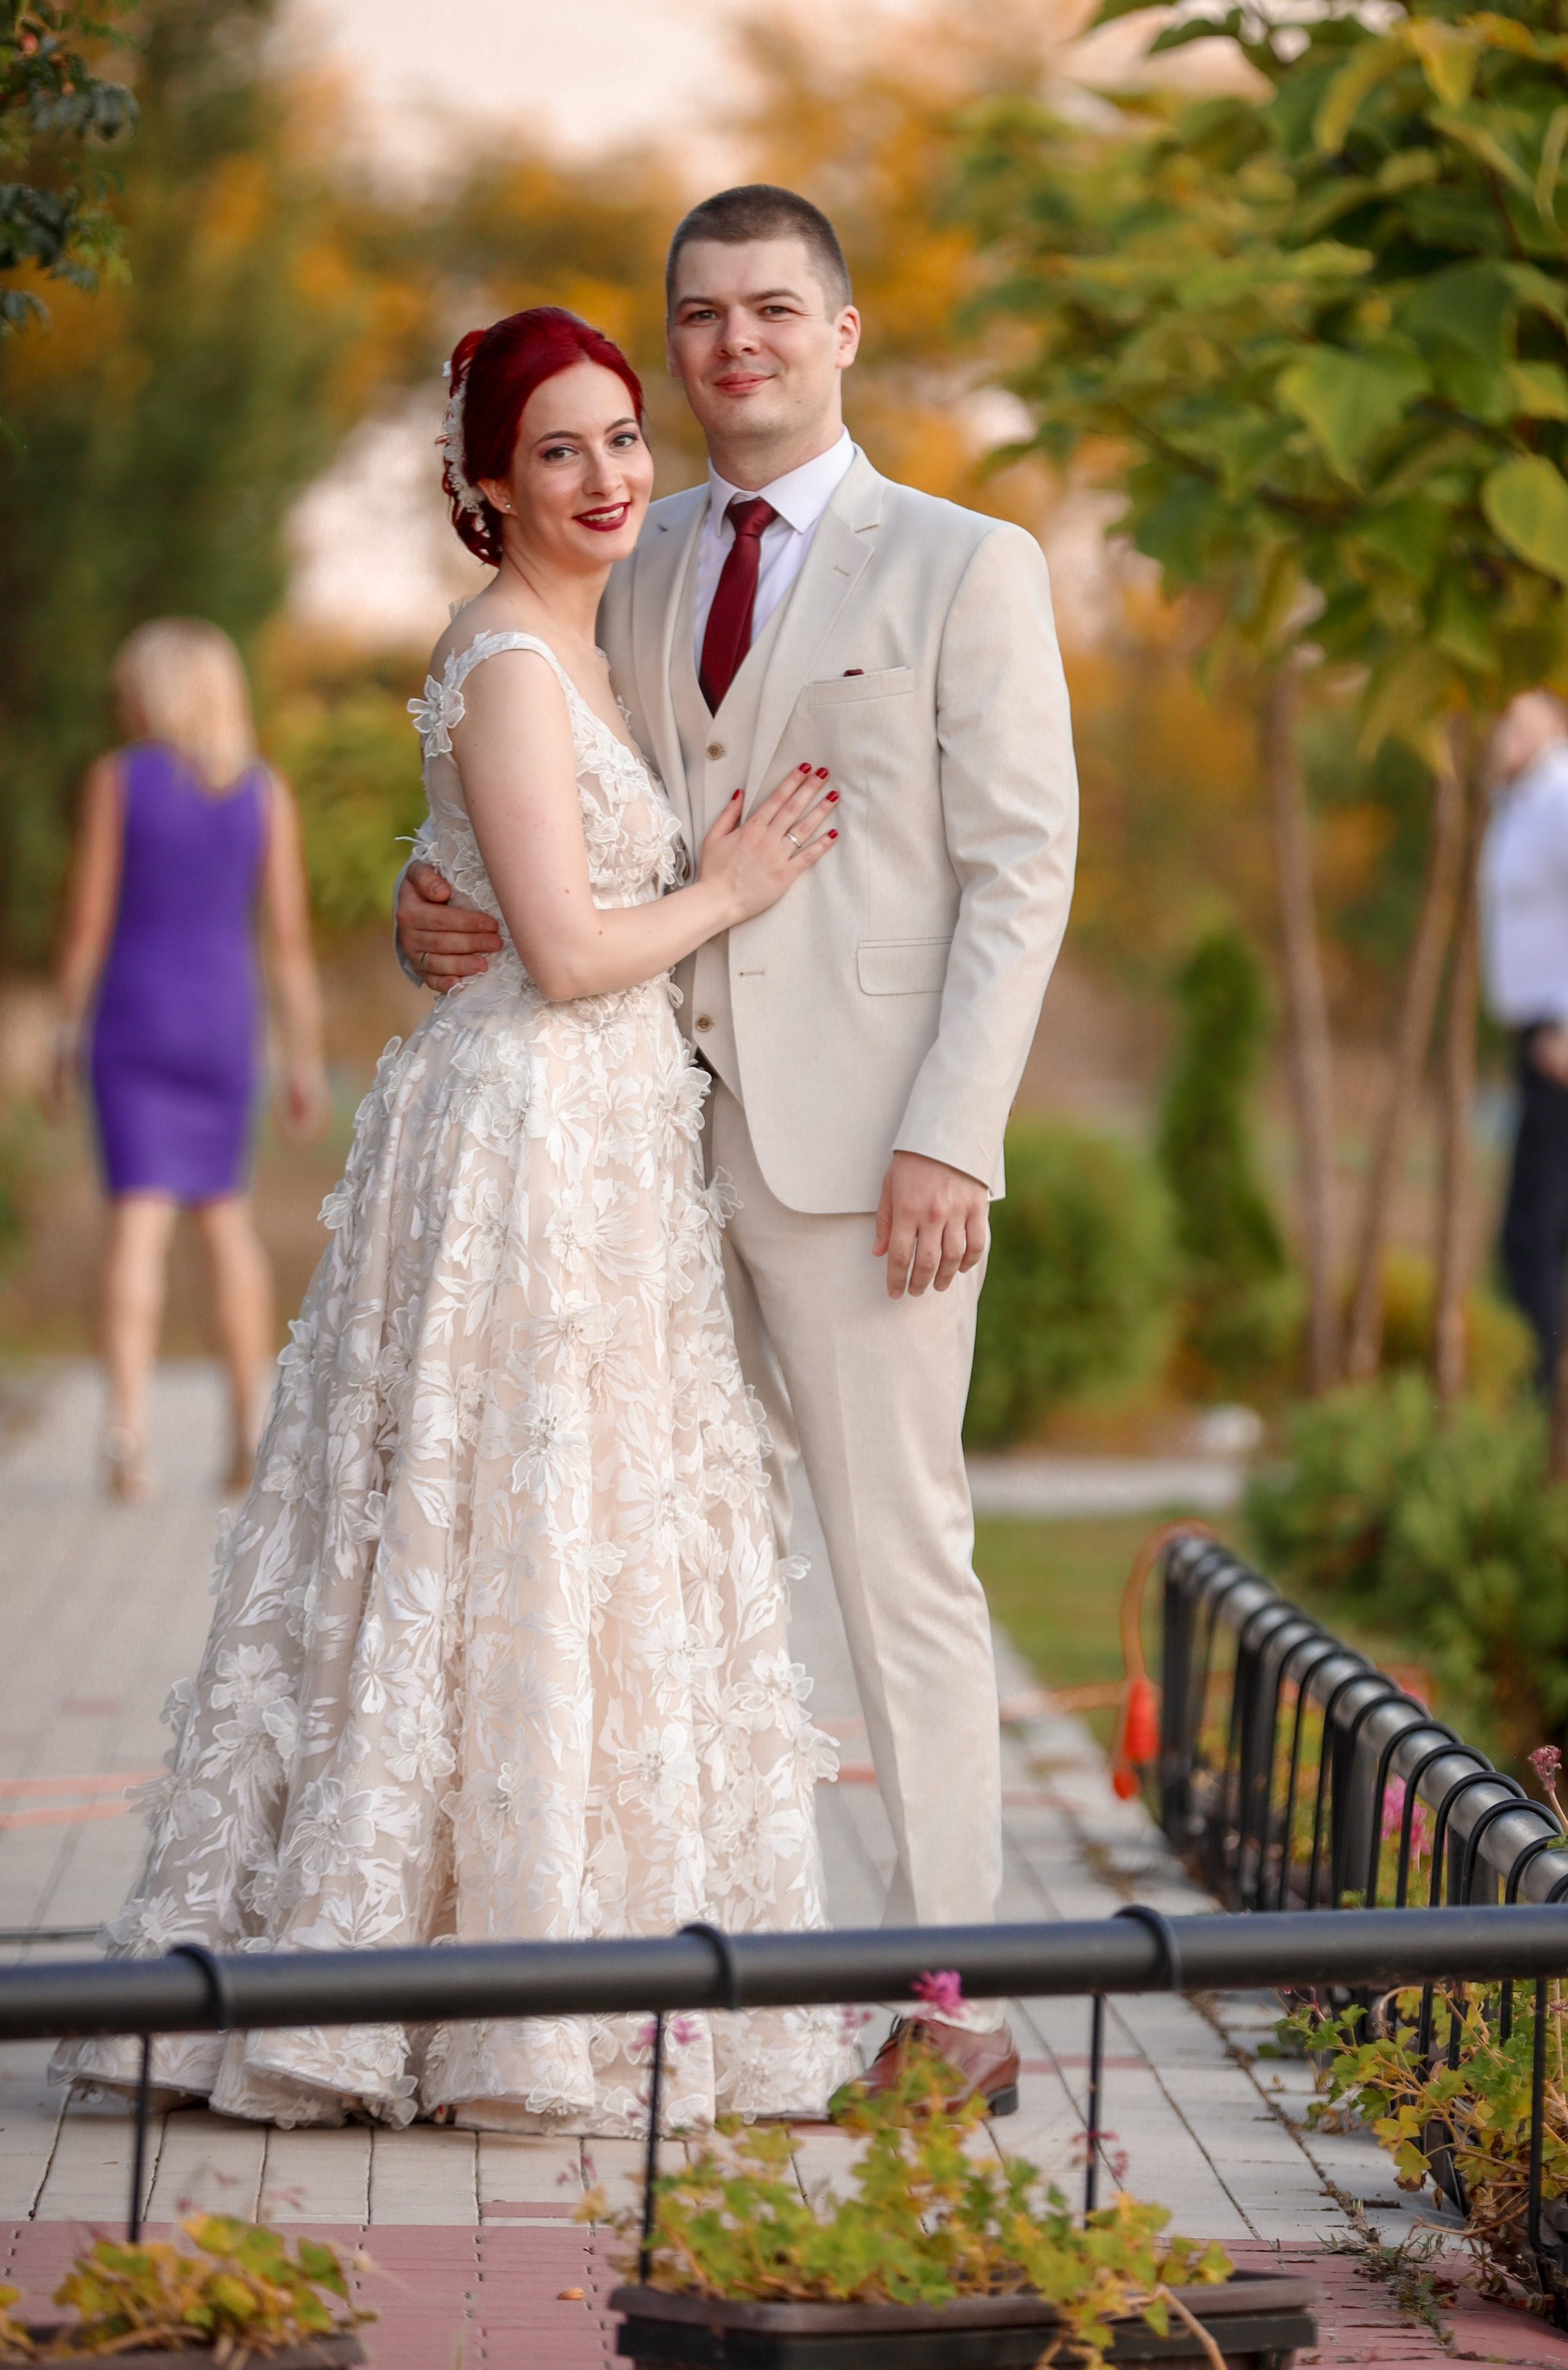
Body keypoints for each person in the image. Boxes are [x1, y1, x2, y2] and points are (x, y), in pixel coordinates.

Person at [56, 308, 851, 2134]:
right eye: (558, 450)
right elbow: (567, 957)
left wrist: (464, 894)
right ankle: (445, 1991)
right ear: (485, 482)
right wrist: (726, 885)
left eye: (621, 440)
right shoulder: (508, 657)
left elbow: (502, 892)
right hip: (526, 1134)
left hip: (591, 1143)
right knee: (479, 1539)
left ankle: (553, 1958)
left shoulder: (588, 642)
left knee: (552, 1541)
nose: (606, 477)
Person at [397, 187, 1079, 2115]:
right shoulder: (631, 538)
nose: (731, 347)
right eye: (698, 316)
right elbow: (531, 789)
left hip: (862, 1159)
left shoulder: (967, 563)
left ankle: (957, 1995)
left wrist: (954, 1127)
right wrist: (419, 908)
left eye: (773, 309)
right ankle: (656, 1976)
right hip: (614, 1154)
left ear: (846, 331)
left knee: (895, 1561)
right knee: (655, 1565)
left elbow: (1024, 872)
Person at [45, 619, 327, 1500]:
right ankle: (248, 1430)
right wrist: (304, 1055)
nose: (119, 701)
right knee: (226, 1219)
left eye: (130, 685)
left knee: (137, 1220)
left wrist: (63, 1030)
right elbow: (285, 939)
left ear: (157, 693)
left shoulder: (117, 783)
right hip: (221, 1020)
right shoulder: (264, 793)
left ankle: (127, 1436)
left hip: (134, 1016)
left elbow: (89, 919)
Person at [1481, 689, 1568, 1387]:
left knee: (1543, 1236)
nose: (1506, 730)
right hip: (1541, 1035)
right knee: (1556, 1234)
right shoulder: (1525, 797)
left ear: (1560, 723)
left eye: (1521, 718)